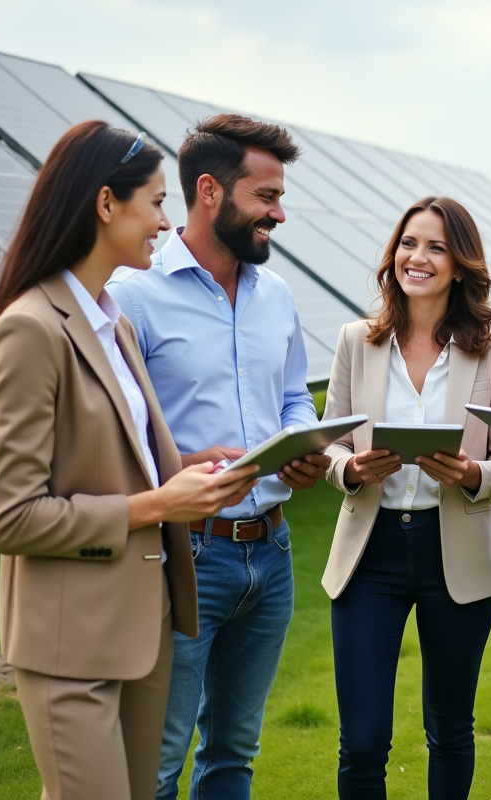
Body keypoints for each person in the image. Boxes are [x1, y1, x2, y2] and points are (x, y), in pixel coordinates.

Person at [0, 121, 258, 800]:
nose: (167, 220)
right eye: (157, 202)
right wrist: (163, 504)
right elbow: (11, 517)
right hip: (69, 645)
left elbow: (107, 456)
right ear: (107, 204)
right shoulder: (30, 328)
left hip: (142, 629)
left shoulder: (114, 321)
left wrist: (191, 466)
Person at [104, 114, 327, 800]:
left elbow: (294, 399)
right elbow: (109, 438)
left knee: (234, 751)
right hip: (183, 555)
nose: (278, 214)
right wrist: (184, 463)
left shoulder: (278, 296)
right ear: (210, 191)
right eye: (265, 197)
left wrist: (305, 443)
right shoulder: (130, 296)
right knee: (158, 760)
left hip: (273, 555)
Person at [320, 196, 491, 799]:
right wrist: (352, 468)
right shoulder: (357, 340)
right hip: (370, 553)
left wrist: (472, 476)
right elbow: (329, 441)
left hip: (454, 553)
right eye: (410, 243)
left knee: (450, 730)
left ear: (459, 264)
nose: (419, 257)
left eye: (436, 247)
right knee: (361, 740)